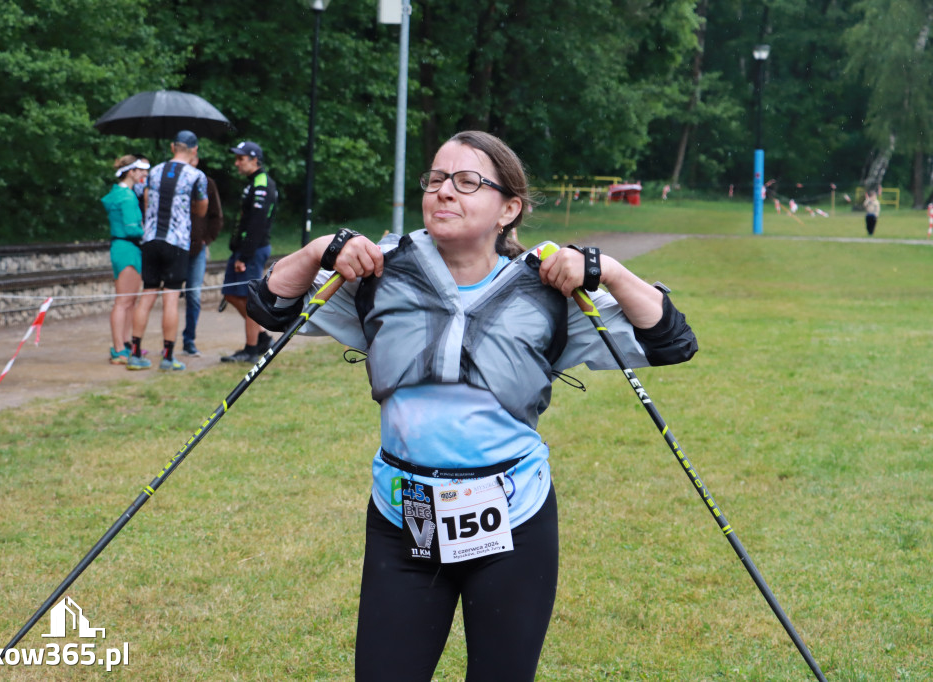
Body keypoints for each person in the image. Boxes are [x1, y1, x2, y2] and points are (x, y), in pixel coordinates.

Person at [243, 130, 699, 680]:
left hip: (515, 520)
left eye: (466, 182)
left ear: (509, 208)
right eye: (435, 180)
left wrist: (608, 270)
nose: (444, 193)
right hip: (403, 519)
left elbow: (672, 342)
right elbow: (269, 306)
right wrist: (321, 250)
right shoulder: (380, 273)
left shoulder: (548, 287)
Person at [128, 130, 208, 371]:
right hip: (177, 242)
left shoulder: (154, 171)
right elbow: (202, 209)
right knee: (171, 298)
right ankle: (167, 356)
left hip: (151, 239)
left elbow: (145, 199)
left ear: (173, 147)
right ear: (194, 150)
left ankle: (134, 353)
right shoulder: (196, 175)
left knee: (147, 294)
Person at [220, 140, 277, 363]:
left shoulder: (263, 183)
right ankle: (262, 336)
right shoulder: (252, 182)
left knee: (248, 299)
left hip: (252, 250)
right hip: (243, 249)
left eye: (240, 159)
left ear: (254, 159)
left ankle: (251, 350)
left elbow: (257, 223)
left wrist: (244, 256)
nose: (236, 163)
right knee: (230, 294)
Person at [101, 154, 150, 364]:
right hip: (128, 249)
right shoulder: (128, 197)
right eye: (141, 171)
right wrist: (149, 232)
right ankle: (119, 348)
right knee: (123, 301)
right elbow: (133, 229)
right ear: (131, 172)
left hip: (121, 248)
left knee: (129, 301)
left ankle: (125, 344)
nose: (145, 175)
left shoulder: (117, 193)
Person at [181, 153, 224, 357]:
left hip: (197, 248)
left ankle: (189, 340)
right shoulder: (174, 182)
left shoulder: (207, 183)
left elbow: (216, 215)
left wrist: (206, 238)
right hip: (175, 248)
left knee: (194, 294)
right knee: (168, 294)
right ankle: (167, 344)